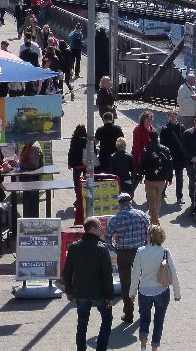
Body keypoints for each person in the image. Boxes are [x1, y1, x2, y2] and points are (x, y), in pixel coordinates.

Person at [63, 218, 115, 351]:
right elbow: (107, 274)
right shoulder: (101, 248)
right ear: (92, 228)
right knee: (107, 319)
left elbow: (67, 272)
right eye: (99, 226)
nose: (102, 229)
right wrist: (110, 295)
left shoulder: (74, 247)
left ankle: (81, 349)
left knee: (82, 323)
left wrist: (69, 290)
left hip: (80, 292)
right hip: (99, 293)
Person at [130, 225, 181, 351]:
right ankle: (154, 348)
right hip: (162, 291)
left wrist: (132, 293)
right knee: (159, 321)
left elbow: (135, 274)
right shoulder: (165, 252)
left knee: (144, 319)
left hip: (144, 291)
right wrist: (177, 293)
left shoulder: (141, 251)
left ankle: (143, 346)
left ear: (149, 236)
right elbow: (174, 273)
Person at [105, 192, 151, 324]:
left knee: (126, 285)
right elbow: (150, 232)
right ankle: (144, 312)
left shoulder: (116, 218)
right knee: (143, 282)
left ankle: (128, 314)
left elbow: (107, 236)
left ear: (119, 204)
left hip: (124, 254)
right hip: (140, 253)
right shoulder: (142, 215)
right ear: (131, 202)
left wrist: (113, 248)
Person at [139, 132, 173, 224]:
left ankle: (154, 220)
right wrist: (170, 178)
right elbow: (170, 164)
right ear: (157, 138)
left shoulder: (146, 149)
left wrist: (140, 176)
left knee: (151, 200)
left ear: (149, 138)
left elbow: (142, 164)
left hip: (150, 178)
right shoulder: (165, 149)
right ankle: (155, 216)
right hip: (162, 179)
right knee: (158, 199)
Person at [159, 111, 188, 204]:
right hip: (169, 157)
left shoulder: (181, 127)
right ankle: (162, 193)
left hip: (179, 157)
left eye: (174, 116)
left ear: (177, 117)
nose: (172, 118)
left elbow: (185, 142)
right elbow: (162, 144)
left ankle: (179, 196)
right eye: (171, 116)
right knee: (166, 176)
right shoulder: (165, 129)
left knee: (179, 178)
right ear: (168, 117)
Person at [68, 125, 89, 190]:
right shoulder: (86, 141)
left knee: (76, 181)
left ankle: (78, 195)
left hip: (76, 164)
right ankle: (85, 192)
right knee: (87, 180)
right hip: (85, 164)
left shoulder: (74, 140)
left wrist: (69, 164)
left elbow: (71, 152)